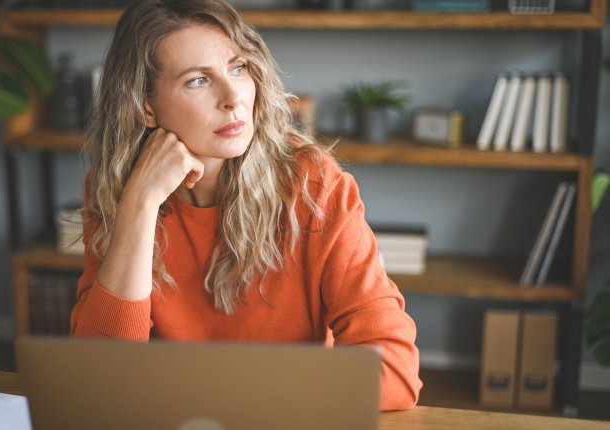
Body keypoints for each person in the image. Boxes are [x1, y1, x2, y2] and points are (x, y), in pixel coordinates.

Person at [70, 0, 422, 411]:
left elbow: (395, 370)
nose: (233, 97)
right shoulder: (118, 189)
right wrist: (140, 206)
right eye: (198, 81)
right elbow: (99, 377)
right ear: (145, 107)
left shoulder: (313, 184)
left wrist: (236, 394)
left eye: (238, 68)